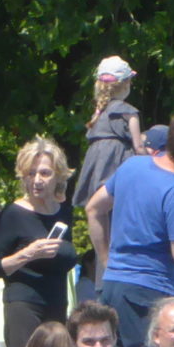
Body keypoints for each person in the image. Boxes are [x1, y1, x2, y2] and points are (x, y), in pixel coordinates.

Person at [84, 111, 174, 347]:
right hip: (149, 291)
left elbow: (93, 209)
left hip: (113, 284)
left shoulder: (132, 165)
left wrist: (107, 259)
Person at [0, 135, 77, 347]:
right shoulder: (14, 213)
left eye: (45, 173)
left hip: (57, 304)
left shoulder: (63, 211)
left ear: (58, 176)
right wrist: (28, 254)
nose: (37, 180)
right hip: (24, 304)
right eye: (31, 173)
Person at [69, 54, 139, 242]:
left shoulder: (98, 113)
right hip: (120, 169)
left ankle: (103, 257)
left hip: (98, 170)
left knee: (100, 213)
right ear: (125, 84)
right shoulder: (129, 112)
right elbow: (138, 146)